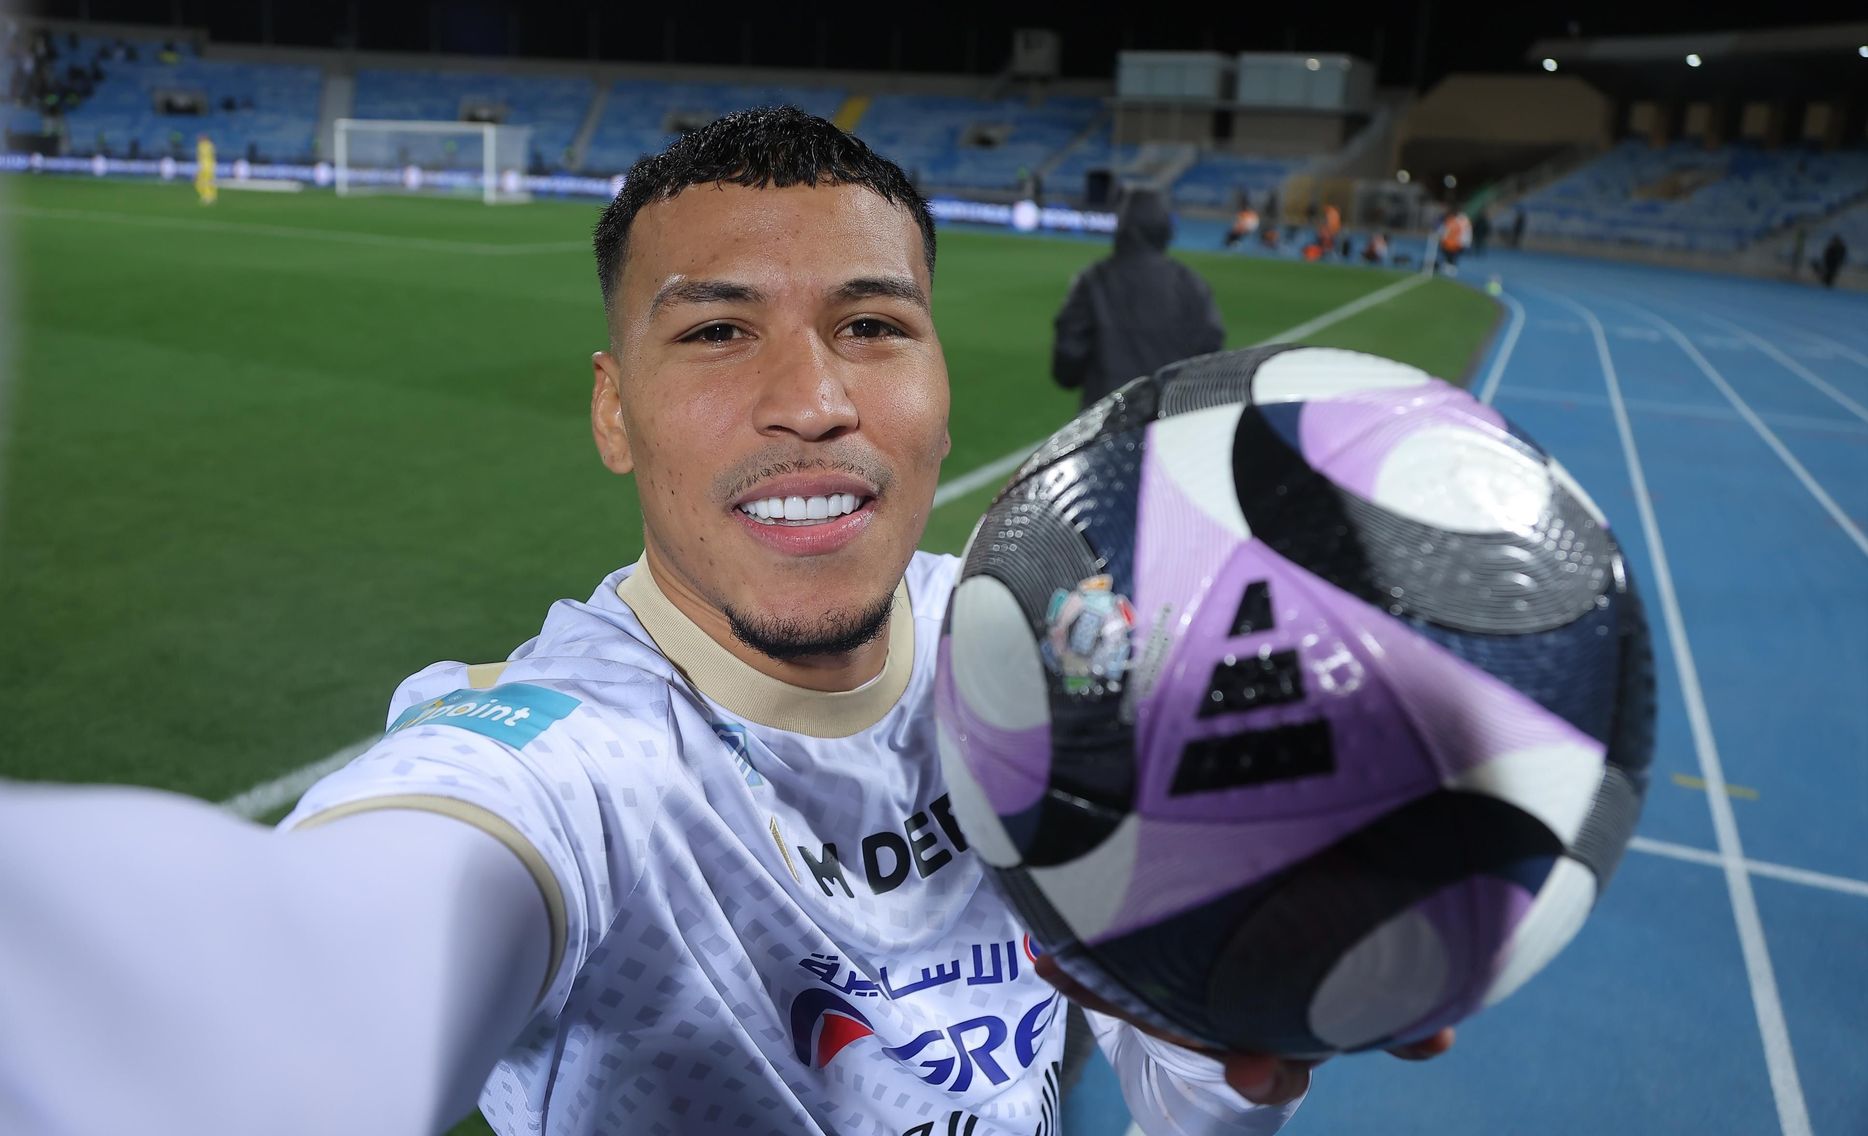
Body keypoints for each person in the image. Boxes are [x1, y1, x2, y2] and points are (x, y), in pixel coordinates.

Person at [0, 107, 1455, 1136]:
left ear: (946, 385)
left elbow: (1181, 1084)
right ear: (612, 409)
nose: (812, 398)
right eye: (714, 330)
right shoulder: (561, 765)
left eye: (873, 326)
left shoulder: (1042, 656)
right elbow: (305, 986)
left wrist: (1220, 1039)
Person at [1052, 188, 1227, 410]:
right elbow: (1211, 358)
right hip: (1170, 420)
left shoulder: (1093, 281)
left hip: (1107, 422)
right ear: (1164, 230)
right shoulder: (1190, 284)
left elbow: (1066, 368)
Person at [193, 132, 217, 204]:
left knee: (205, 182)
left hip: (206, 166)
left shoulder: (205, 145)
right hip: (207, 166)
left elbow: (204, 156)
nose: (199, 139)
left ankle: (208, 197)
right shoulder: (208, 145)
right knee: (203, 182)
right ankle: (209, 196)